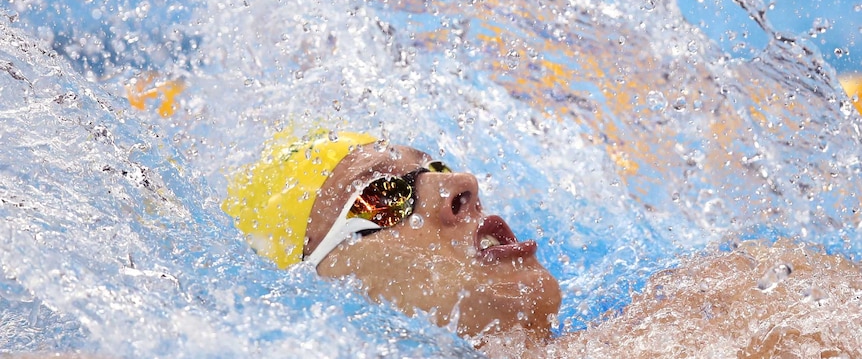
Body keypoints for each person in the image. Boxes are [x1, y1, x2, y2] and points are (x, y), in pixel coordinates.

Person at [223, 130, 862, 357]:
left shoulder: (715, 290)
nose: (460, 185)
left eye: (437, 166)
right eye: (384, 195)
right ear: (323, 281)